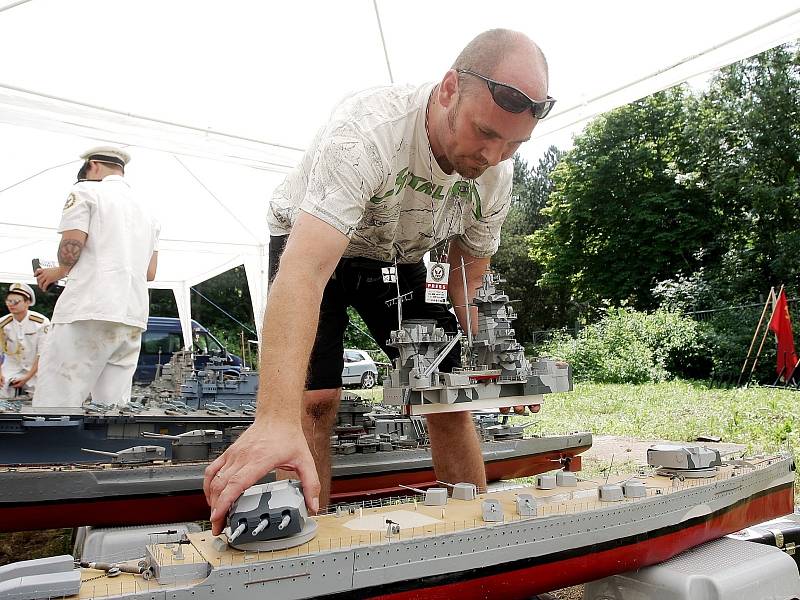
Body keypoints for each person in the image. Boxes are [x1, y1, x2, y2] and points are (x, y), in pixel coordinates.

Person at [204, 28, 554, 535]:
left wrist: (479, 353)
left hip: (401, 255)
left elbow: (466, 269)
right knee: (315, 404)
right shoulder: (367, 133)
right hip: (318, 243)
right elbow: (305, 272)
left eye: (513, 144)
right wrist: (273, 419)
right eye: (484, 132)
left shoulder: (496, 175)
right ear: (449, 89)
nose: (492, 156)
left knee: (442, 390)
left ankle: (478, 525)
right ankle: (301, 535)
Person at [33, 146, 160, 408]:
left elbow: (72, 244)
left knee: (57, 400)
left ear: (93, 166)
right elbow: (150, 273)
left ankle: (49, 448)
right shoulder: (148, 211)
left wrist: (59, 271)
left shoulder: (85, 191)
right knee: (112, 410)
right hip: (131, 315)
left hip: (88, 307)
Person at [0, 283, 50, 399]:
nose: (11, 305)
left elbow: (42, 354)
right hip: (10, 369)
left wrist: (28, 376)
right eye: (9, 301)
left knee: (42, 397)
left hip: (35, 370)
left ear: (27, 303)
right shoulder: (3, 323)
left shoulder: (41, 323)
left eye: (16, 301)